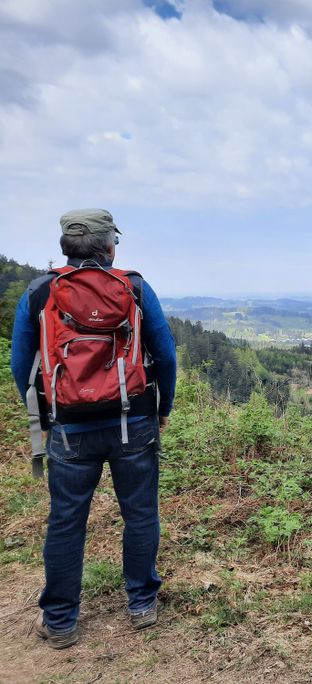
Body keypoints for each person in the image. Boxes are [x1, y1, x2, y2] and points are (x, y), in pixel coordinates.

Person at [10, 209, 177, 649]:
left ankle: (61, 620)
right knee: (140, 514)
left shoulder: (40, 291)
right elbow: (166, 354)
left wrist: (47, 414)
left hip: (69, 428)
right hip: (133, 422)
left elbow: (20, 364)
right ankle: (142, 604)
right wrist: (164, 407)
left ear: (66, 245)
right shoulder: (135, 287)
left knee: (66, 522)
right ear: (109, 246)